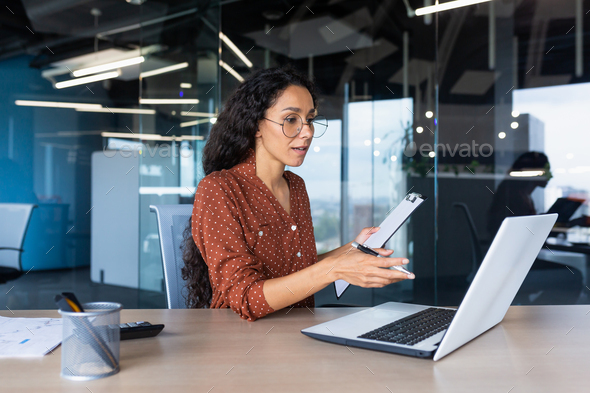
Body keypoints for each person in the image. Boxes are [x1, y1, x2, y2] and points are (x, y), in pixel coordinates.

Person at [182, 65, 413, 320]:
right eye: (291, 119)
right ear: (256, 125)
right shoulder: (219, 189)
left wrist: (351, 250)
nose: (307, 132)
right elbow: (246, 297)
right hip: (242, 341)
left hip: (297, 329)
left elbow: (299, 267)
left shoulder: (296, 186)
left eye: (310, 120)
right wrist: (335, 268)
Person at [487, 151, 583, 304]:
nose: (550, 175)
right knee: (573, 277)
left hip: (516, 262)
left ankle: (532, 312)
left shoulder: (517, 194)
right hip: (513, 267)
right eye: (546, 170)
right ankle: (535, 314)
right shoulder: (515, 198)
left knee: (572, 275)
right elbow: (525, 234)